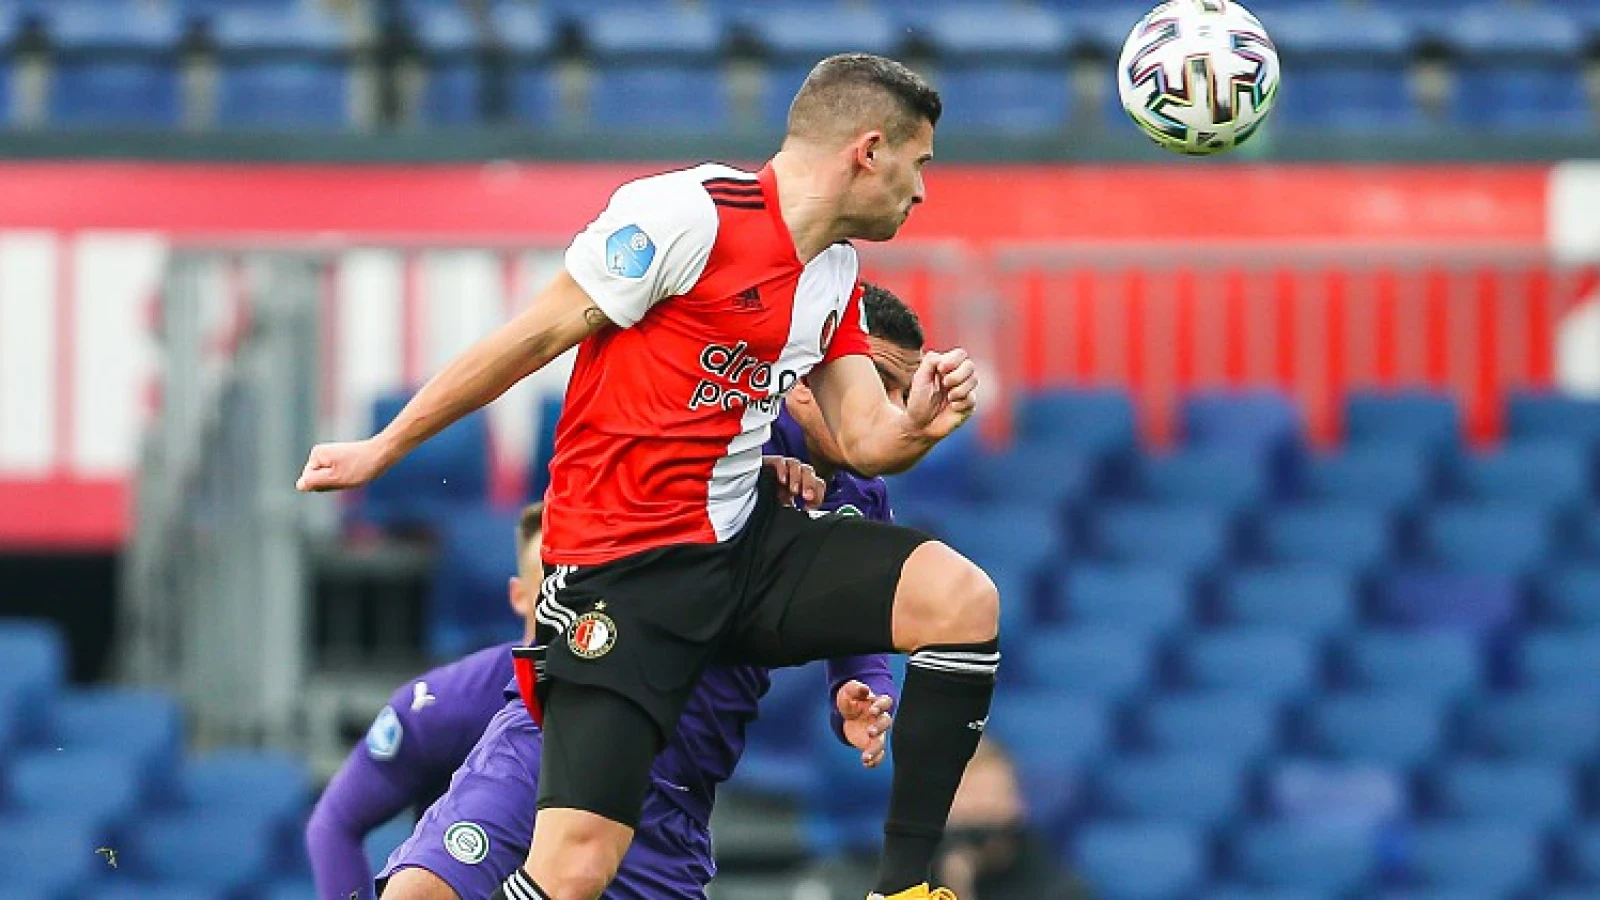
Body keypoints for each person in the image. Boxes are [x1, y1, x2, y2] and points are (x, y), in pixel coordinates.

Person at [297, 52, 999, 900]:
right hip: (623, 571)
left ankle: (902, 888)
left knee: (963, 601)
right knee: (574, 870)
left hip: (742, 546)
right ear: (869, 149)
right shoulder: (686, 214)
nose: (922, 192)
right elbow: (530, 338)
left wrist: (918, 426)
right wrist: (385, 448)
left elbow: (862, 439)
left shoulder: (834, 276)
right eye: (920, 164)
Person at [377, 282, 927, 900]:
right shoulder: (731, 426)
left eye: (906, 394)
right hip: (564, 730)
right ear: (811, 377)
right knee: (420, 892)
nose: (897, 411)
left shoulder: (863, 501)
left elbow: (859, 628)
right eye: (879, 385)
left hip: (673, 791)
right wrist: (741, 476)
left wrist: (862, 691)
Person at [305, 503, 546, 900]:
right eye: (549, 585)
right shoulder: (446, 705)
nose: (565, 603)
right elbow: (336, 822)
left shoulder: (657, 702)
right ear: (519, 596)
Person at [933, 738, 1087, 900]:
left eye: (995, 797)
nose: (983, 815)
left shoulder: (1056, 887)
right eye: (969, 797)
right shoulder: (914, 877)